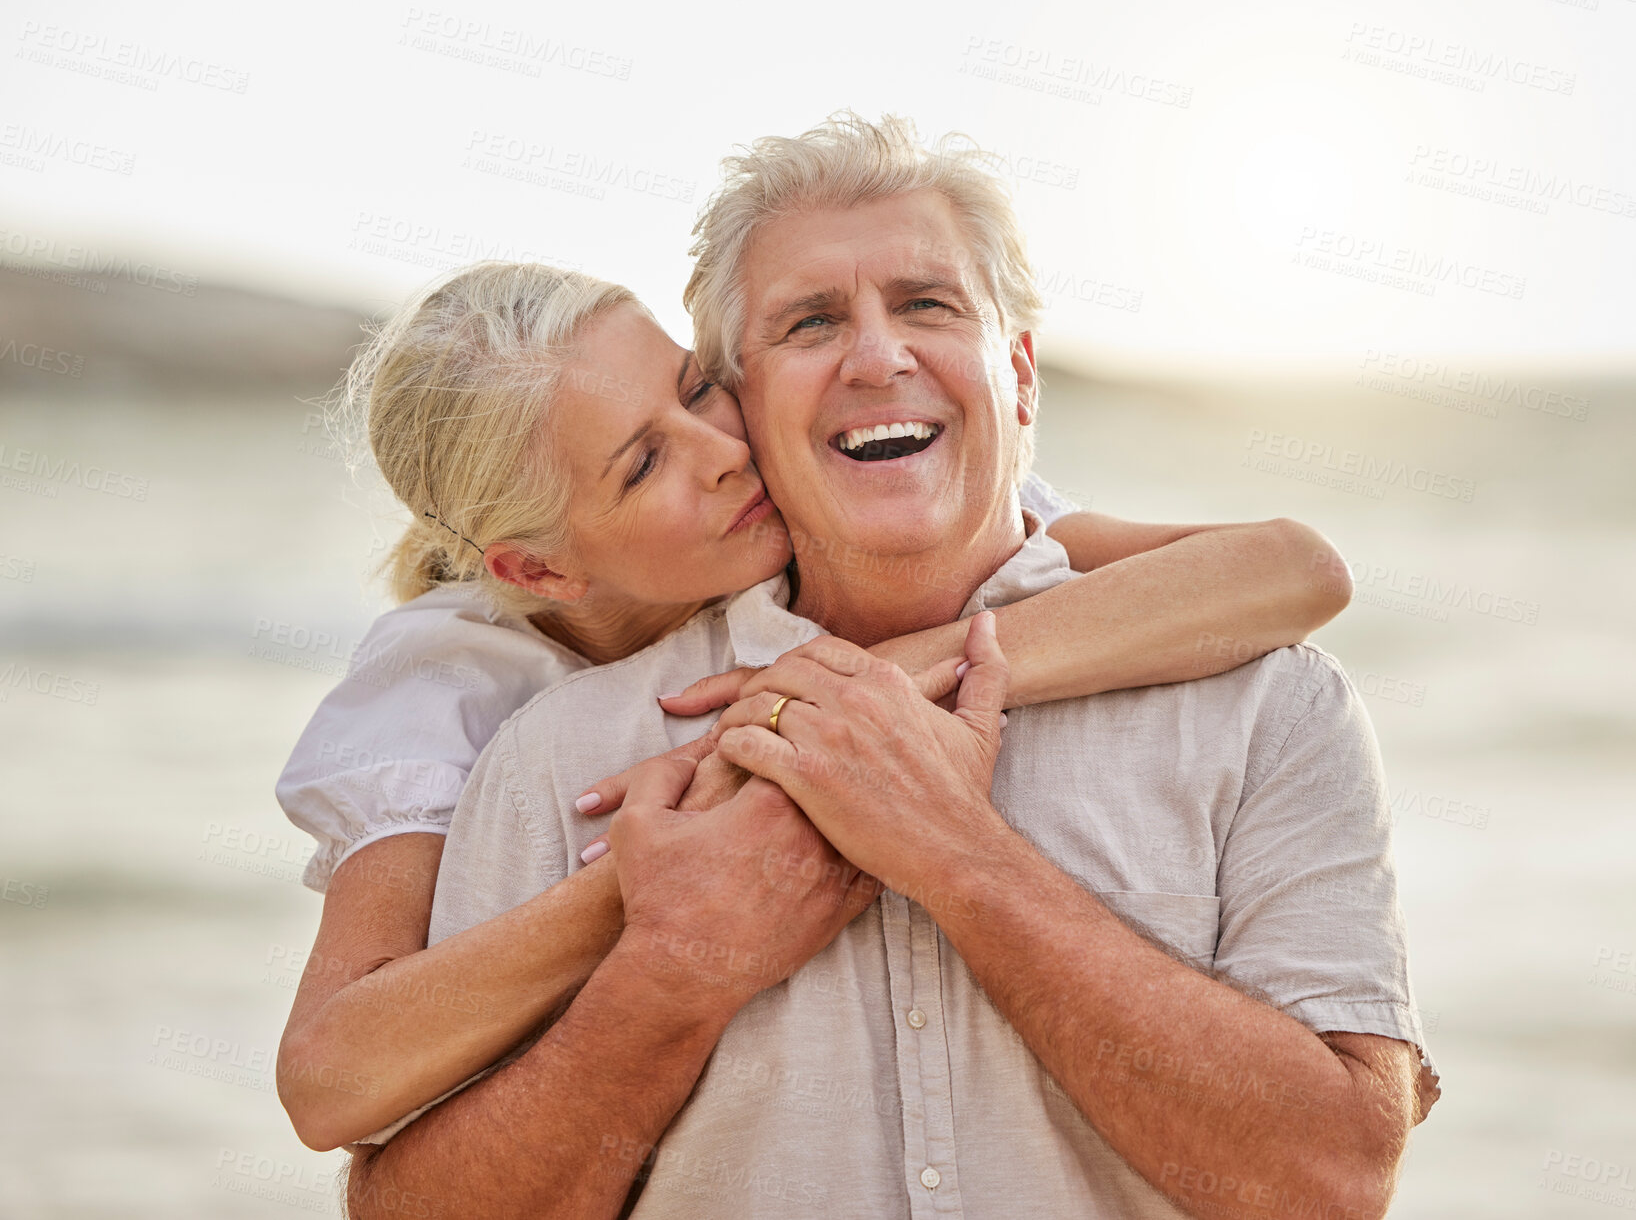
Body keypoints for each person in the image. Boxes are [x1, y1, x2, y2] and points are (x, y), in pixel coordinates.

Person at [344, 114, 1437, 1220]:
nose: (878, 357)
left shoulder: (1265, 705)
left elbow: (1331, 1184)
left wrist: (963, 860)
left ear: (1018, 375)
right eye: (811, 322)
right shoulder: (562, 758)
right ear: (746, 406)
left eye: (927, 304)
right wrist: (669, 974)